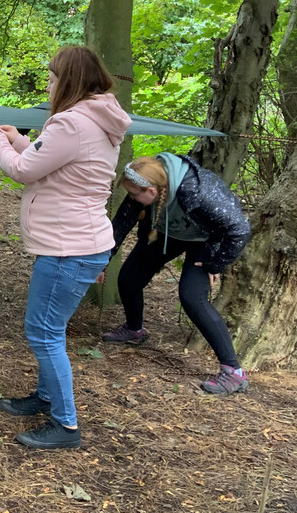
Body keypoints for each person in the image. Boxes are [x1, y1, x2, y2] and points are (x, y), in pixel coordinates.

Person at [0, 46, 132, 449]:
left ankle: (65, 426)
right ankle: (44, 397)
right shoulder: (93, 120)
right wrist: (20, 138)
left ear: (69, 82)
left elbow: (22, 170)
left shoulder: (72, 124)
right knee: (51, 328)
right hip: (80, 242)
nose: (47, 85)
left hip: (71, 247)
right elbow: (47, 161)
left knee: (44, 331)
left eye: (51, 78)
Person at [101, 153, 251, 395]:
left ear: (151, 191)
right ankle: (134, 330)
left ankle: (233, 372)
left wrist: (216, 265)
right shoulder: (143, 187)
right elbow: (121, 224)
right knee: (128, 278)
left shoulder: (197, 193)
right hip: (166, 232)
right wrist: (102, 261)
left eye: (133, 194)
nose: (131, 198)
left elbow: (240, 229)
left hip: (204, 240)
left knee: (192, 297)